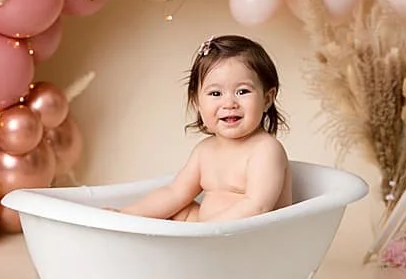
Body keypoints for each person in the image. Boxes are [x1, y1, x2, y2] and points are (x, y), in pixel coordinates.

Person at [119, 36, 290, 222]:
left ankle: (192, 244)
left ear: (267, 99)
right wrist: (127, 214)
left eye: (242, 91)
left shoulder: (266, 149)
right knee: (175, 209)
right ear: (197, 103)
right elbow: (175, 192)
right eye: (215, 93)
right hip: (208, 237)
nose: (229, 103)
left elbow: (258, 206)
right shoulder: (205, 150)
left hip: (252, 240)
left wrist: (206, 231)